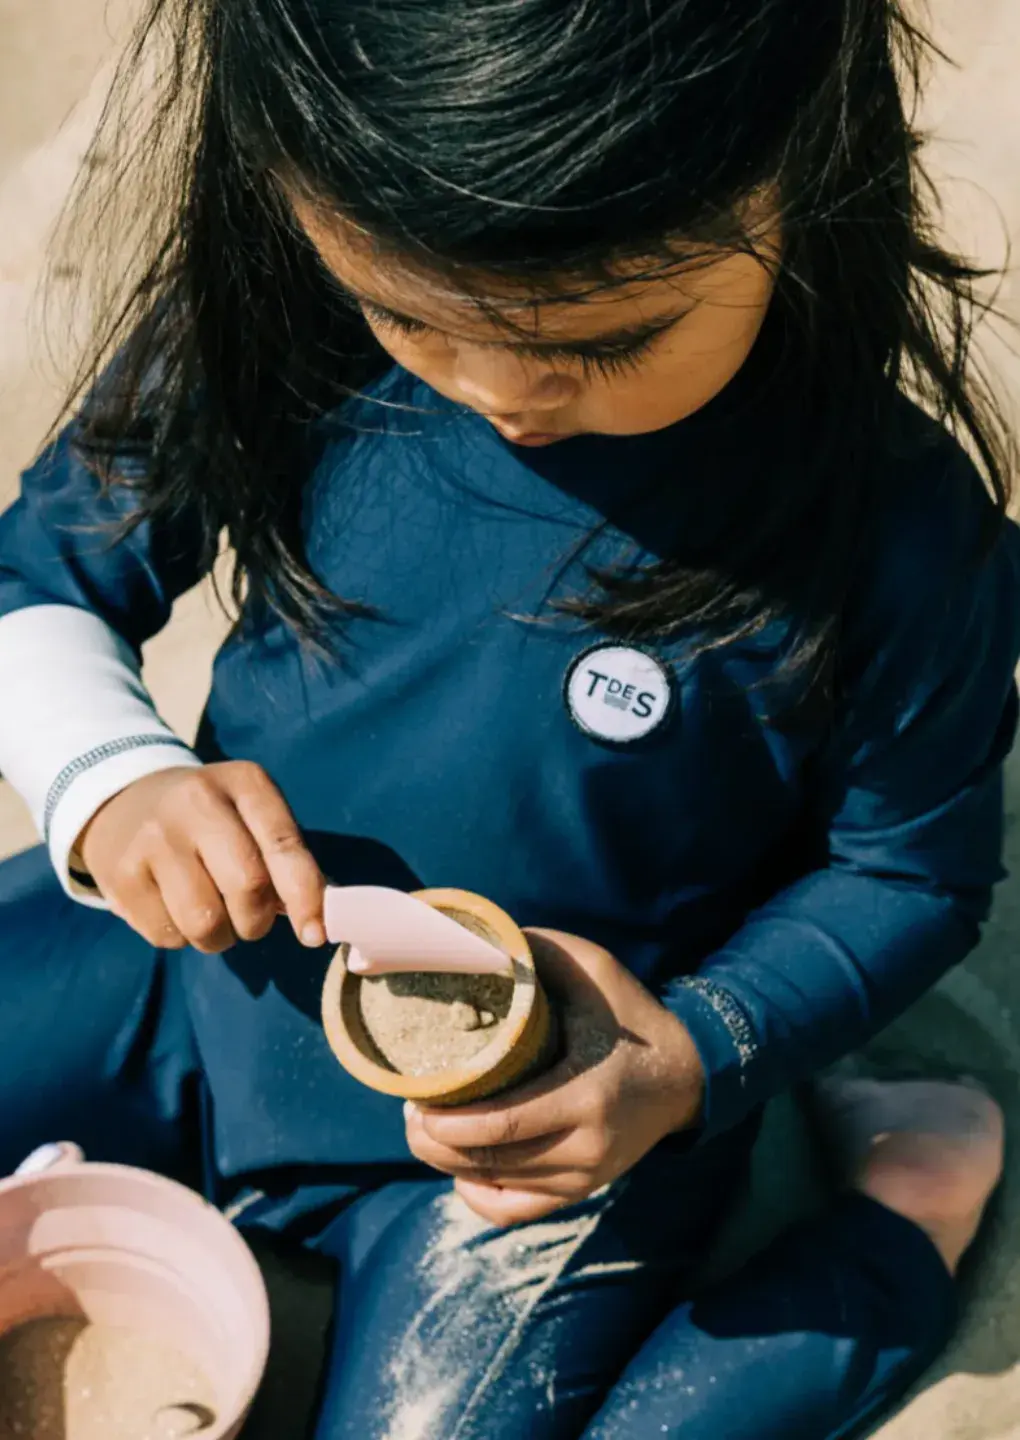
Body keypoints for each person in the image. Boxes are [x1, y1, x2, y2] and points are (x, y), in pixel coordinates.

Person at [0, 0, 1016, 1434]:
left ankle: (907, 1213)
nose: (500, 392)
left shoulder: (898, 542)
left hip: (547, 1111)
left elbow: (912, 871)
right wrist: (113, 781)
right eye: (407, 312)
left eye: (606, 339)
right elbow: (38, 582)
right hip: (197, 965)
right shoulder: (275, 322)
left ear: (807, 155)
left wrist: (697, 1051)